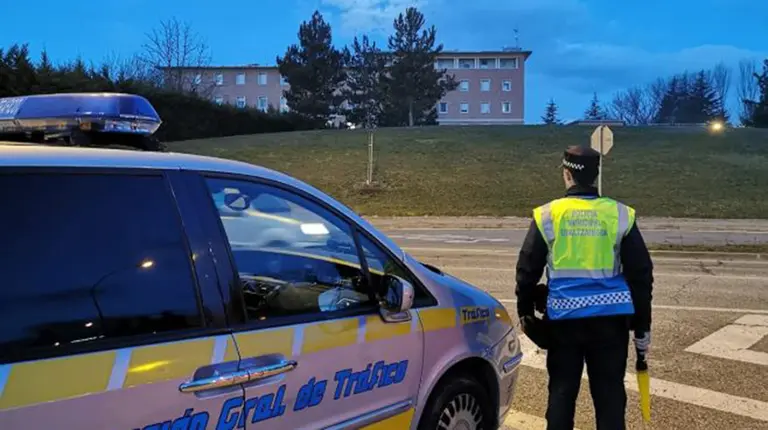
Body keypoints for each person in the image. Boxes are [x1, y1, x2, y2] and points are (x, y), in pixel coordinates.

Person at [515, 145, 654, 430]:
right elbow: (641, 275)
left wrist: (525, 312)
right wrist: (641, 327)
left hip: (564, 322)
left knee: (562, 394)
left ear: (567, 175)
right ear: (595, 175)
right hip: (610, 324)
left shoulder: (548, 215)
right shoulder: (620, 215)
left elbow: (527, 270)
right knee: (610, 399)